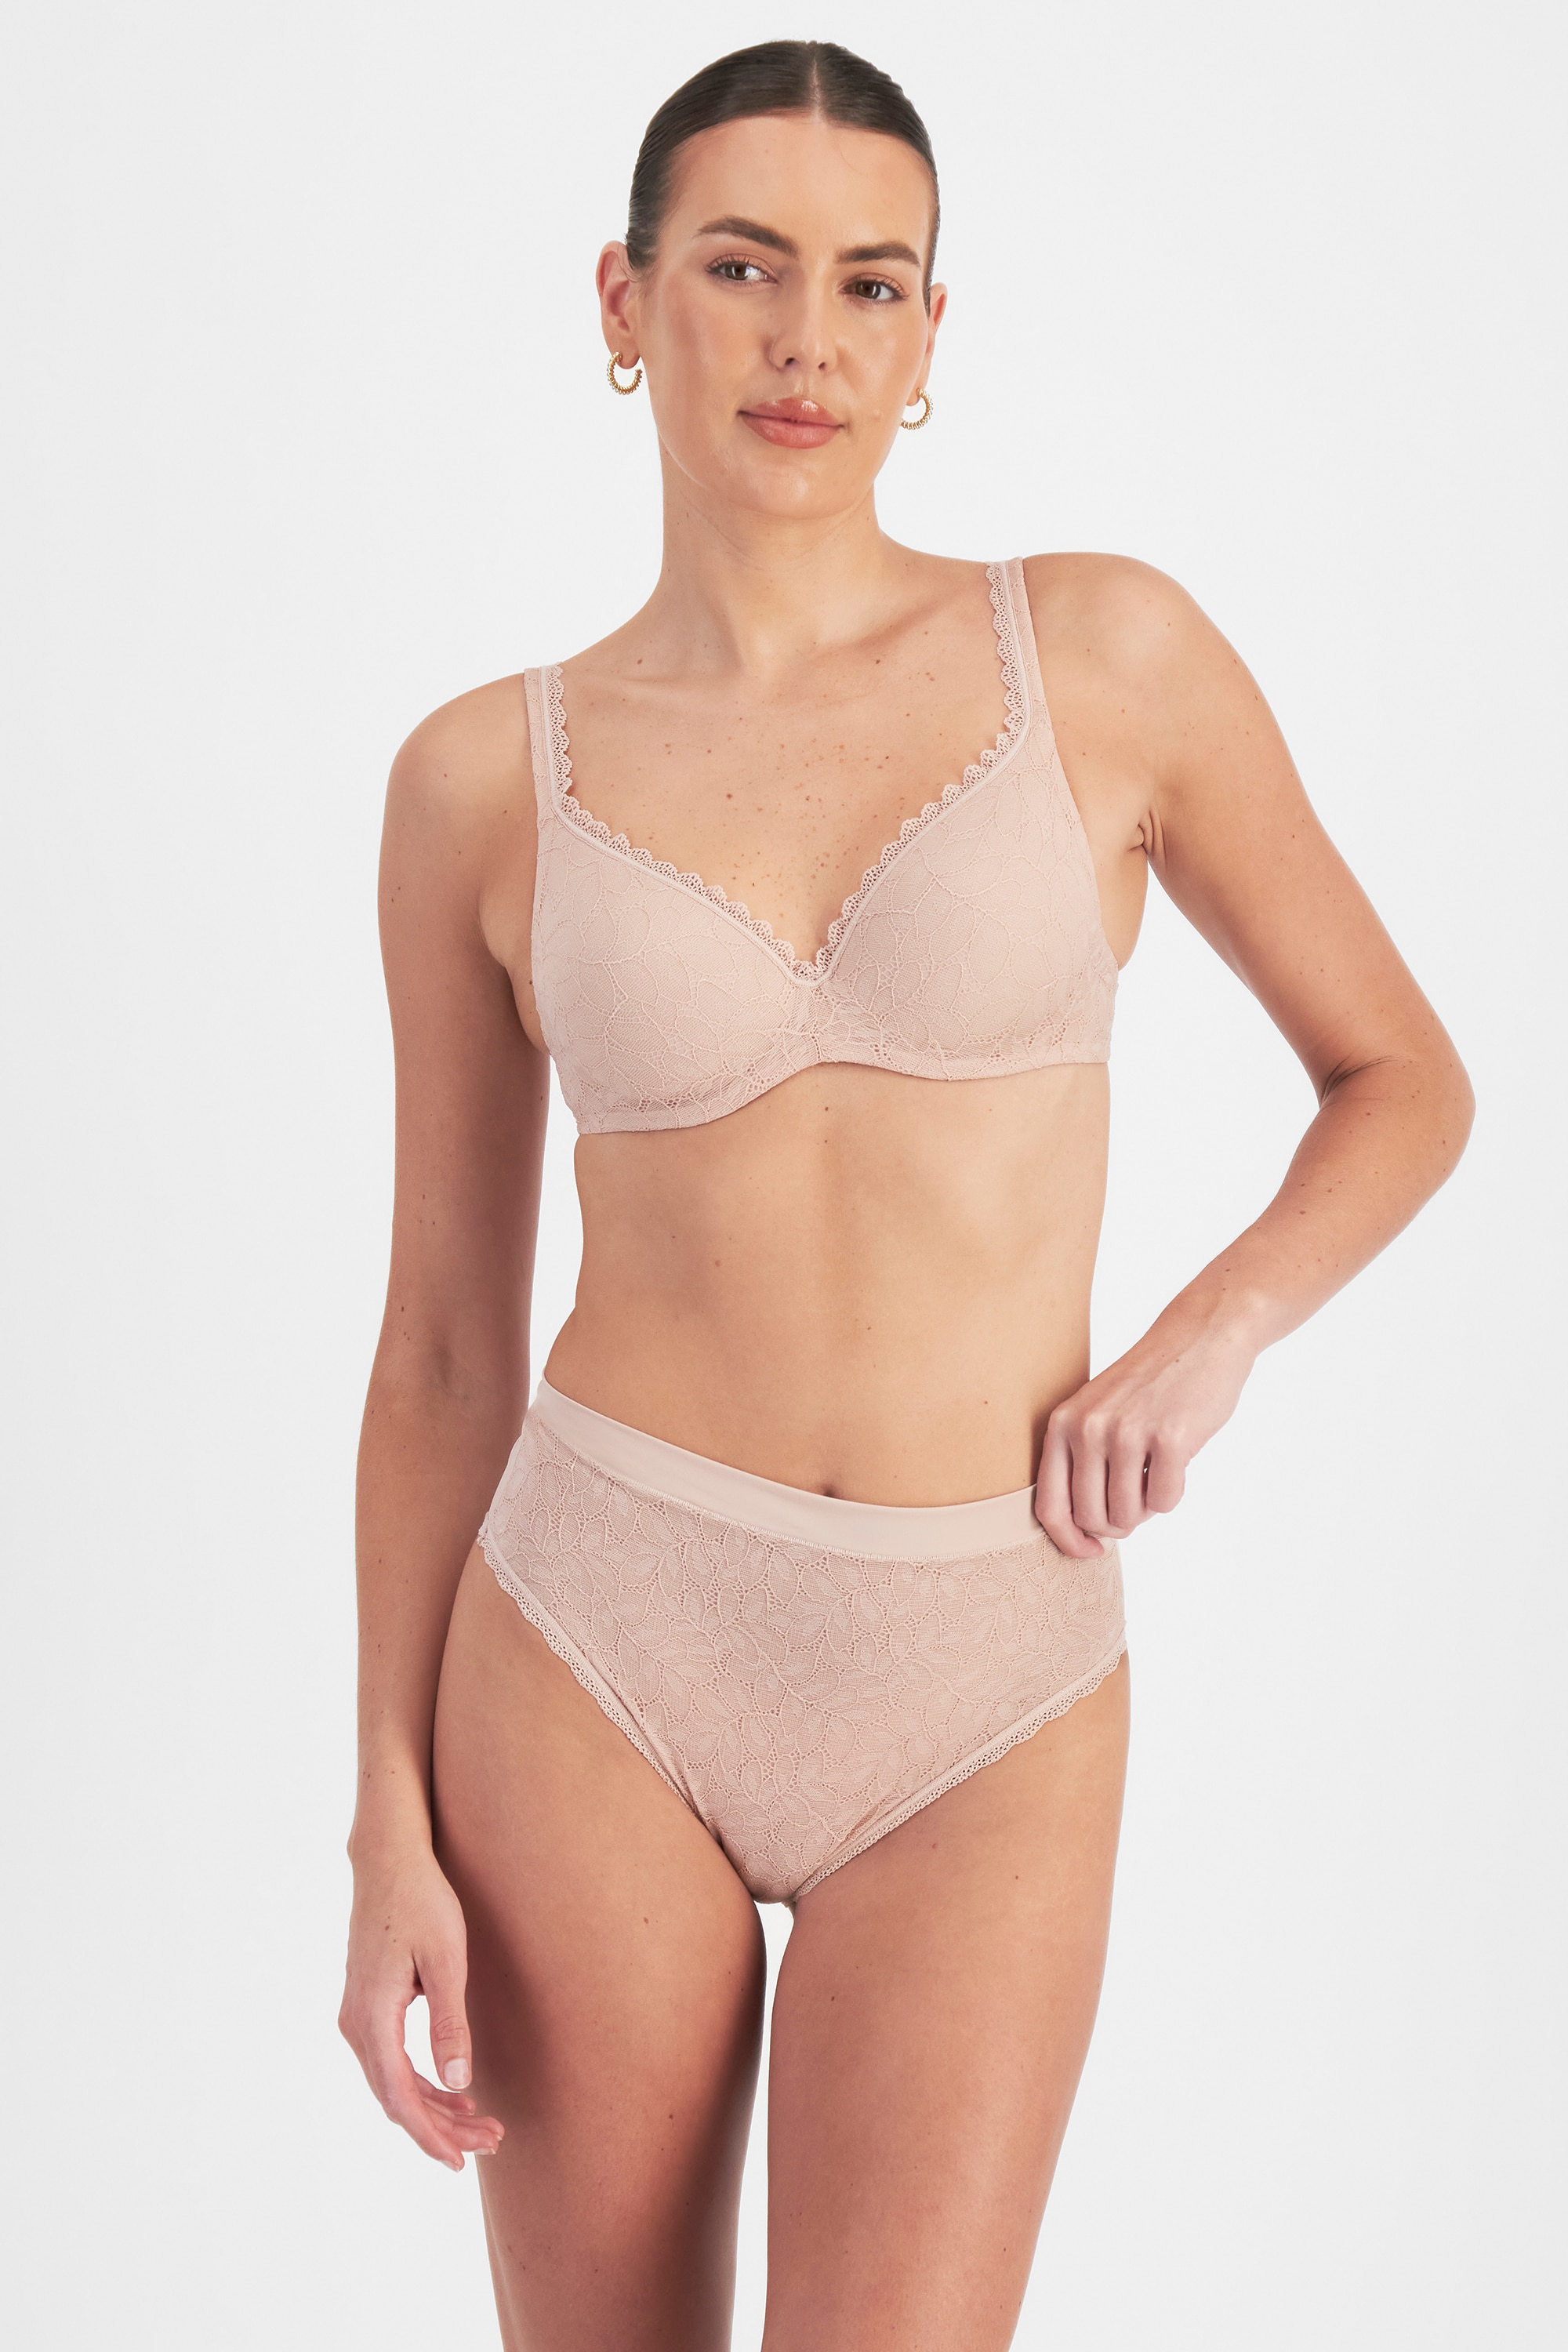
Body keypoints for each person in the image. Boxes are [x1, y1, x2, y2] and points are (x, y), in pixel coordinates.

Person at [338, 38, 1472, 2352]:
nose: (807, 341)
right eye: (742, 268)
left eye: (871, 284)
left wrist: (1214, 1329)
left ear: (933, 330)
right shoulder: (478, 780)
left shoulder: (1106, 656)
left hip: (988, 1667)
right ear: (625, 299)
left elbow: (1404, 1078)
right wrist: (384, 1819)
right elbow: (445, 1345)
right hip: (592, 1636)